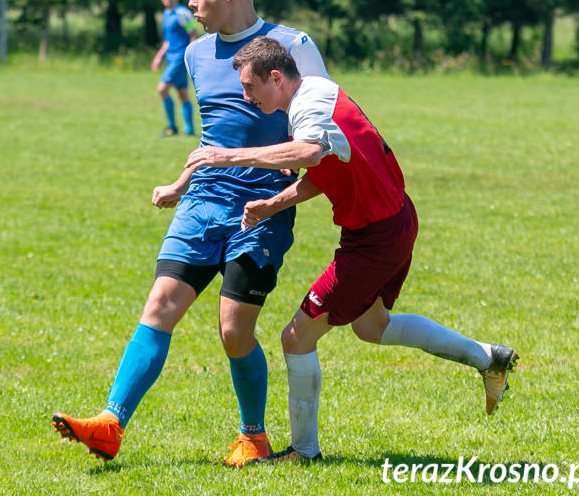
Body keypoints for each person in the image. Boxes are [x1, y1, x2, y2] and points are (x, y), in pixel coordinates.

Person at [52, 0, 330, 466]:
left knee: (233, 329)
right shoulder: (195, 53)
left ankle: (254, 435)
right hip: (204, 201)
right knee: (159, 306)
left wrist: (274, 187)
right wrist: (183, 183)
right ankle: (111, 424)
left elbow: (324, 129)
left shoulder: (294, 46)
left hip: (263, 204)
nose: (192, 2)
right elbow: (212, 137)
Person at [184, 36, 518, 464]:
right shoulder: (314, 95)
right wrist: (273, 204)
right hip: (394, 221)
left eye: (250, 88)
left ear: (275, 77)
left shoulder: (310, 109)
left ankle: (304, 453)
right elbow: (327, 168)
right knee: (371, 326)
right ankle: (488, 357)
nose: (247, 98)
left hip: (375, 238)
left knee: (296, 337)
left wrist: (230, 157)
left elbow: (308, 152)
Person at [151, 0, 198, 137]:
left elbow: (193, 34)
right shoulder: (166, 14)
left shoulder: (182, 13)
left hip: (179, 58)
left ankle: (172, 126)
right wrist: (159, 57)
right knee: (182, 93)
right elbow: (168, 41)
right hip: (171, 58)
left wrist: (192, 56)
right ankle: (189, 130)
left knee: (162, 89)